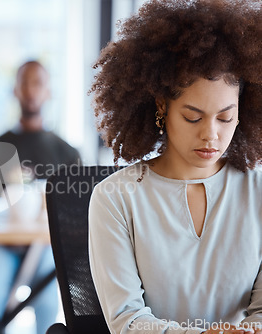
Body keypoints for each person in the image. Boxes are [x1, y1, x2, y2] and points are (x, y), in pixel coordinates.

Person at [87, 1, 262, 334]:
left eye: (225, 117)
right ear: (162, 107)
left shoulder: (258, 194)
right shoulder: (114, 199)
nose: (211, 134)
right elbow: (128, 321)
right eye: (192, 116)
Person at [0, 60, 81, 333]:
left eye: (38, 83)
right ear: (14, 90)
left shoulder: (67, 153)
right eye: (24, 83)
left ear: (49, 91)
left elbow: (78, 213)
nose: (31, 90)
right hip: (0, 245)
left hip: (44, 246)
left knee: (47, 297)